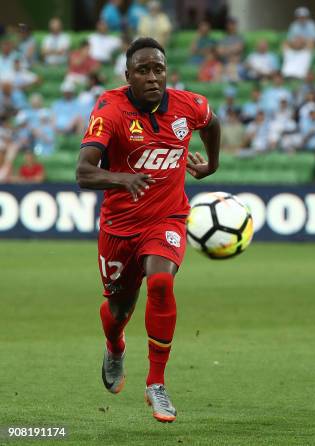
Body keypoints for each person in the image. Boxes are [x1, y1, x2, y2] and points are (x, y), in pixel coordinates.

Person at [75, 37, 221, 423]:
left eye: (159, 69)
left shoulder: (190, 105)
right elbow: (83, 171)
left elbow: (213, 123)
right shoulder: (110, 109)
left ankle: (156, 383)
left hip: (167, 218)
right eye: (143, 70)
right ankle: (114, 345)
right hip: (120, 227)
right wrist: (122, 179)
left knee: (160, 283)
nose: (153, 77)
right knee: (119, 309)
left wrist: (212, 165)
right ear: (128, 75)